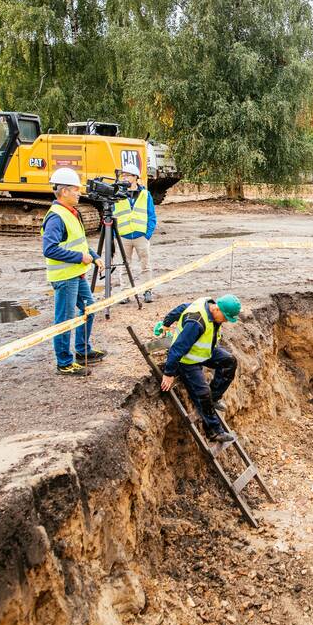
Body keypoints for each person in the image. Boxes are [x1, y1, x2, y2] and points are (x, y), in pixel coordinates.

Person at [42, 167, 107, 376]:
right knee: (65, 320)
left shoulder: (72, 212)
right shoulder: (56, 217)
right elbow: (49, 249)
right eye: (76, 190)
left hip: (76, 275)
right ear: (64, 191)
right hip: (65, 277)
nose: (79, 193)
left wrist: (93, 256)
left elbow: (77, 244)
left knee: (89, 308)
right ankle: (64, 362)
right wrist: (81, 258)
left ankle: (82, 350)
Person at [156, 294, 242, 443]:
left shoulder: (208, 306)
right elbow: (177, 348)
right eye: (226, 317)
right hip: (187, 360)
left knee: (229, 362)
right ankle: (214, 431)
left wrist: (166, 322)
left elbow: (183, 308)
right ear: (216, 309)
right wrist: (169, 373)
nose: (226, 321)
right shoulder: (197, 322)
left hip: (204, 352)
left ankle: (214, 398)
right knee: (202, 393)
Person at [113, 157, 157, 303]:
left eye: (127, 175)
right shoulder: (118, 195)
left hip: (140, 236)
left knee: (145, 265)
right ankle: (126, 294)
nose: (124, 177)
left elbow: (152, 216)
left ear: (135, 177)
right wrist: (116, 235)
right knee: (124, 266)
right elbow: (113, 215)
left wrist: (147, 234)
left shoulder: (145, 195)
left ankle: (147, 291)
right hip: (124, 236)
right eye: (123, 175)